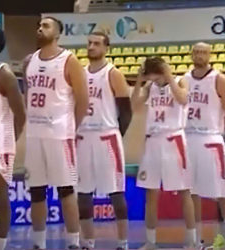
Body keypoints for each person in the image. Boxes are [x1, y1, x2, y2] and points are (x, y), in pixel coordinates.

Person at [23, 17, 89, 249]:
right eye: (39, 25)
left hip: (60, 135)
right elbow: (27, 96)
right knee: (37, 192)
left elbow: (83, 100)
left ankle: (73, 242)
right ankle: (38, 244)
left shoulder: (69, 60)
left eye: (47, 25)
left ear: (58, 33)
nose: (40, 28)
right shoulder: (29, 61)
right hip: (34, 135)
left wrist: (71, 127)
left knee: (66, 190)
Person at [132, 57, 196, 249]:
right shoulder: (149, 86)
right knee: (151, 193)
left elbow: (183, 98)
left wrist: (168, 75)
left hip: (173, 139)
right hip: (153, 140)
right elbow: (134, 105)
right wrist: (139, 80)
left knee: (184, 191)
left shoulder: (178, 81)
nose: (155, 74)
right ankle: (150, 241)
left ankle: (191, 240)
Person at [76, 31, 132, 250]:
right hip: (83, 136)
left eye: (96, 44)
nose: (91, 47)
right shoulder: (79, 73)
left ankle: (122, 243)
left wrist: (117, 134)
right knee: (83, 192)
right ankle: (88, 242)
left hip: (107, 136)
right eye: (89, 43)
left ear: (106, 48)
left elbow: (126, 112)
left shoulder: (113, 73)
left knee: (116, 192)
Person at [184, 42, 225, 249]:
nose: (199, 55)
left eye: (203, 52)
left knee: (221, 193)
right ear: (191, 54)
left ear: (209, 55)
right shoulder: (184, 79)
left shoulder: (219, 78)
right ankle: (196, 241)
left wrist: (219, 131)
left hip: (210, 140)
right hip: (189, 139)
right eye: (196, 51)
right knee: (192, 193)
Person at [0, 25, 25, 250]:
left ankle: (0, 245)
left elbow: (20, 114)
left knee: (0, 195)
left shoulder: (4, 74)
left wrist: (10, 141)